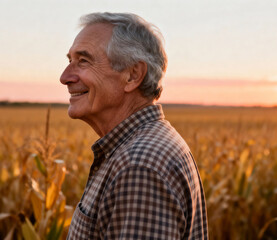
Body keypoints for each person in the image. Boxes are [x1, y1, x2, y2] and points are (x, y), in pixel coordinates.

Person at [60, 12, 208, 240]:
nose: (65, 76)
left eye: (83, 61)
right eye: (69, 61)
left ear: (132, 75)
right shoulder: (140, 148)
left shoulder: (139, 166)